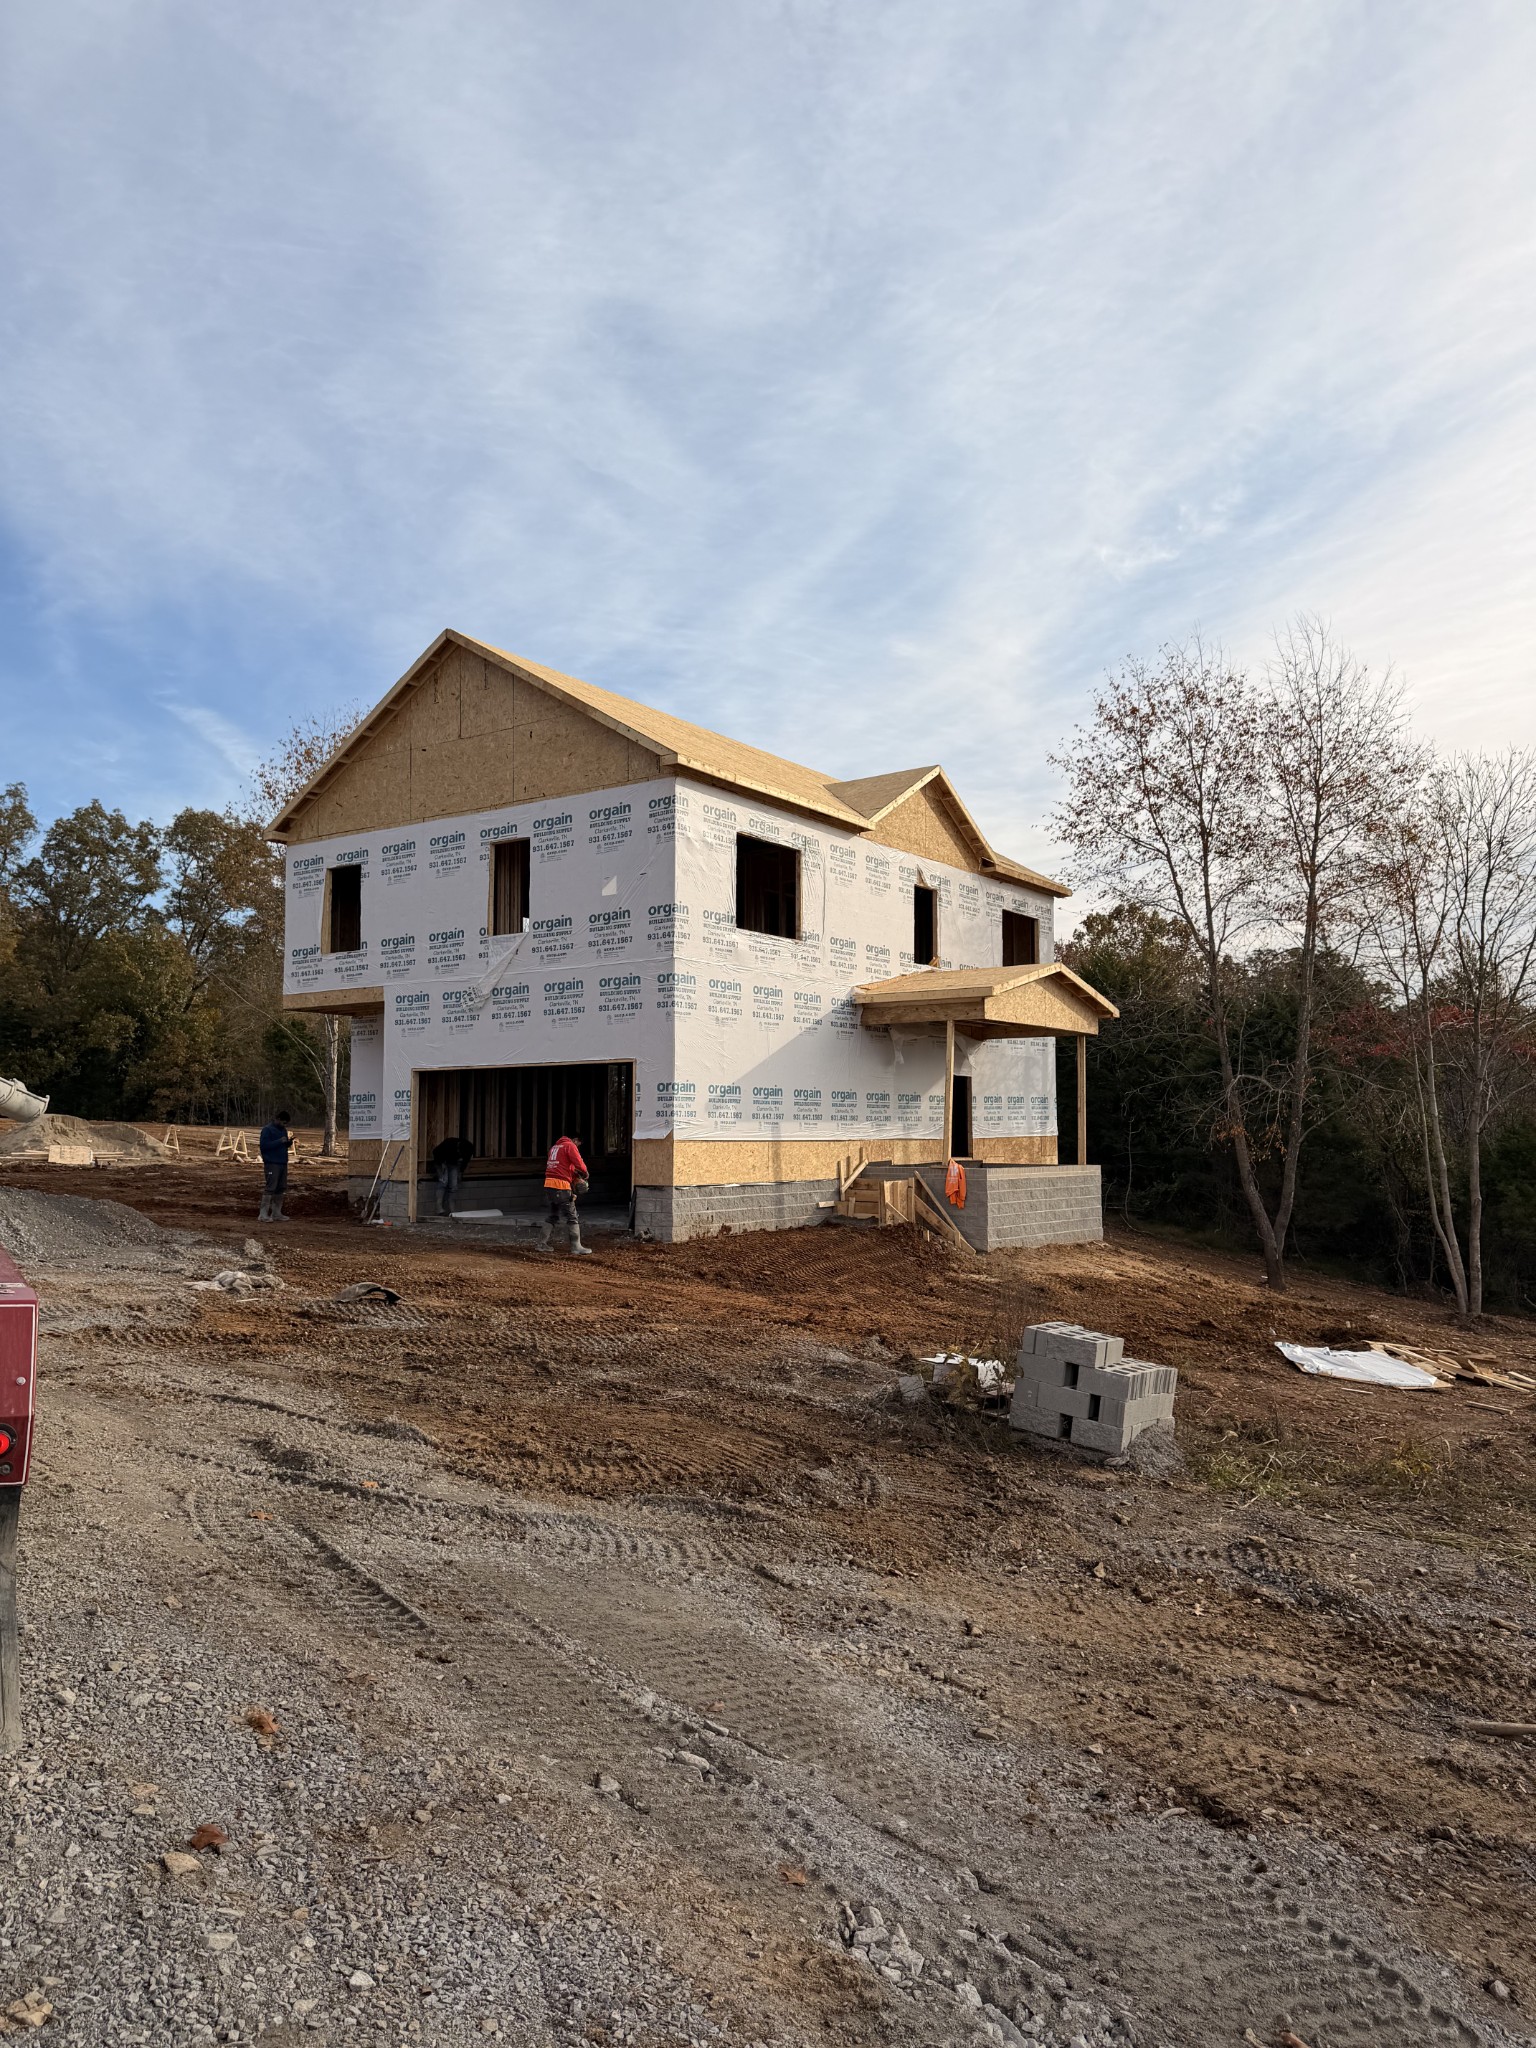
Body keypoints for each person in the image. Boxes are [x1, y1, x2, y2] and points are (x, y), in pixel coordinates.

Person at [538, 1133, 592, 1255]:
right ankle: (576, 1247)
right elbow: (578, 1162)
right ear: (575, 1140)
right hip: (561, 1186)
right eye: (578, 1144)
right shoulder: (569, 1146)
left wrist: (574, 1175)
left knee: (553, 1215)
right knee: (572, 1216)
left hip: (549, 1185)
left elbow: (561, 1167)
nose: (577, 1147)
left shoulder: (554, 1148)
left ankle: (541, 1244)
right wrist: (585, 1172)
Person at [258, 1109, 294, 1222]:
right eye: (283, 1122)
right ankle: (263, 1214)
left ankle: (276, 1213)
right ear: (277, 1119)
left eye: (286, 1124)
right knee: (271, 1187)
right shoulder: (267, 1130)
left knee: (281, 1187)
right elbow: (264, 1146)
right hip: (272, 1162)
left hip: (282, 1162)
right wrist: (279, 1141)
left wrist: (288, 1143)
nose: (285, 1125)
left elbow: (282, 1144)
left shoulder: (283, 1130)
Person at [431, 1132, 475, 1216]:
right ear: (458, 1148)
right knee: (444, 1181)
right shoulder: (449, 1144)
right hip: (441, 1160)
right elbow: (435, 1153)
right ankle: (439, 1207)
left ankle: (452, 1209)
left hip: (453, 1163)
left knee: (454, 1185)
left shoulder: (469, 1149)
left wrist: (461, 1172)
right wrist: (441, 1168)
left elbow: (465, 1162)